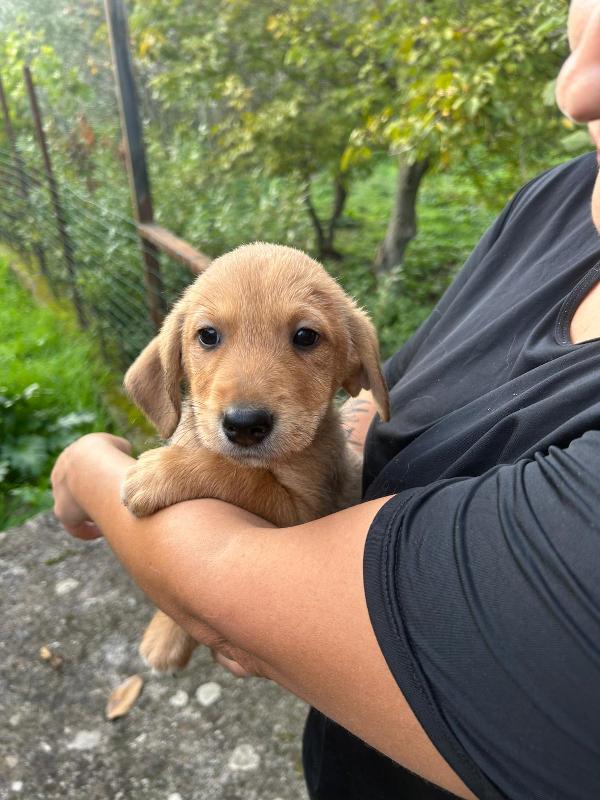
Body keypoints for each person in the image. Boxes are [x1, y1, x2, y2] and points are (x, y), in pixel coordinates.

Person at [52, 2, 600, 797]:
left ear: (352, 359)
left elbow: (234, 580)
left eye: (304, 339)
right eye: (209, 338)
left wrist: (90, 467)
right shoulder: (549, 205)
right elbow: (386, 411)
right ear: (168, 364)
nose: (574, 88)